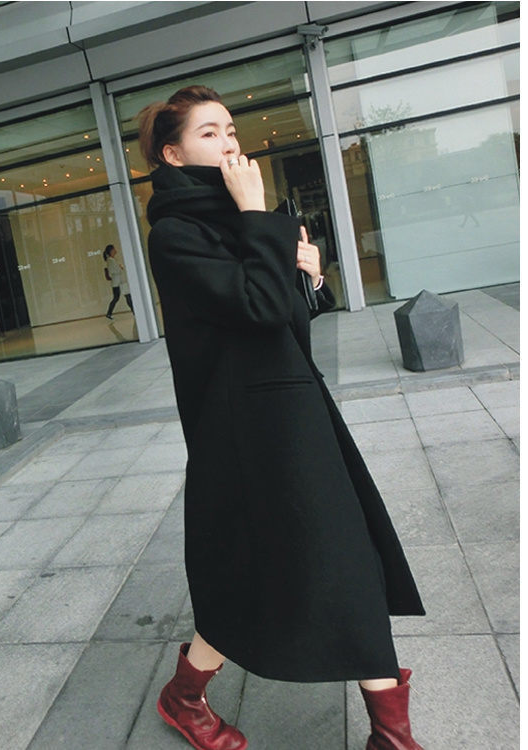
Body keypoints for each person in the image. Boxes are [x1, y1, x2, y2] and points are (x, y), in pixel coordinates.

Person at [138, 85, 425, 750]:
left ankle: (390, 735)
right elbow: (256, 309)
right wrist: (254, 216)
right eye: (210, 133)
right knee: (258, 566)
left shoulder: (251, 217)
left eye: (230, 129)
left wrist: (311, 280)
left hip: (295, 410)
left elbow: (288, 319)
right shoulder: (177, 235)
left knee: (344, 557)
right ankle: (185, 698)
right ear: (173, 154)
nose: (229, 142)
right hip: (243, 430)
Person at [103, 244, 134, 319]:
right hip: (118, 283)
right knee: (125, 297)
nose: (115, 250)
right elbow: (114, 270)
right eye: (114, 249)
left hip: (118, 282)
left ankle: (109, 313)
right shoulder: (110, 260)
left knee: (120, 297)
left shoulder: (111, 260)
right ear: (111, 251)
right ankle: (134, 311)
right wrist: (120, 267)